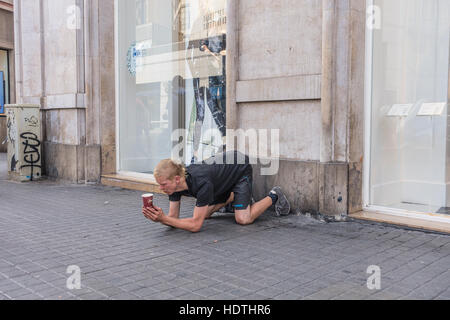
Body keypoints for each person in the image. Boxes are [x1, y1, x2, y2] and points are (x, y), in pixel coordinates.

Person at [142, 151, 290, 233]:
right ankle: (232, 197)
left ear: (176, 179)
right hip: (219, 179)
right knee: (204, 214)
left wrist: (164, 219)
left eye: (163, 184)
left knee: (243, 219)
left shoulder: (201, 182)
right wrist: (159, 216)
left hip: (239, 168)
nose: (160, 189)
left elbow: (195, 225)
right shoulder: (174, 187)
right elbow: (173, 219)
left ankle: (275, 195)